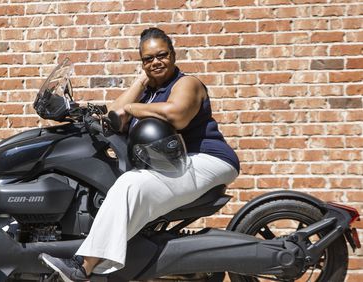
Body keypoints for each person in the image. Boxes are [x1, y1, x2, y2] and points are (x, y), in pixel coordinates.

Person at [39, 27, 240, 282]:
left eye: (162, 55)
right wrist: (140, 82)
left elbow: (177, 115)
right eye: (148, 59)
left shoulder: (187, 83)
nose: (156, 62)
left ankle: (83, 267)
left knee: (131, 184)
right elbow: (113, 114)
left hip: (207, 159)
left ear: (173, 54)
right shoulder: (149, 90)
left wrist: (134, 109)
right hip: (174, 163)